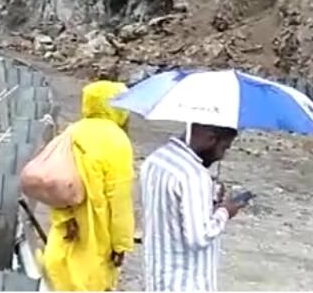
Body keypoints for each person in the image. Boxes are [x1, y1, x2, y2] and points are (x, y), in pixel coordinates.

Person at [42, 80, 135, 292]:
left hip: (66, 227)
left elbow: (55, 181)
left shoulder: (71, 132)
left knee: (58, 277)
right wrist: (121, 244)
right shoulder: (118, 142)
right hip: (96, 233)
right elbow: (119, 200)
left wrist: (63, 217)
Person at [140, 124, 246, 291]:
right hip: (187, 283)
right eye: (224, 148)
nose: (221, 157)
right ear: (211, 139)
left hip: (157, 280)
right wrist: (225, 211)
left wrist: (208, 203)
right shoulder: (194, 176)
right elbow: (200, 237)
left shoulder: (155, 160)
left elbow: (171, 212)